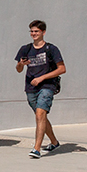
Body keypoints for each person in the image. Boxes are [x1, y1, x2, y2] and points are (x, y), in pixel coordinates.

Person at [14, 20, 65, 159]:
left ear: (43, 32)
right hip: (31, 87)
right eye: (31, 31)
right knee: (40, 116)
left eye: (36, 31)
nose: (33, 34)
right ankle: (54, 142)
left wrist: (42, 78)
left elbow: (62, 69)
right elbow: (18, 70)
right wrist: (21, 64)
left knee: (40, 115)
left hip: (47, 86)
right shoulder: (25, 49)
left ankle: (36, 149)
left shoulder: (51, 49)